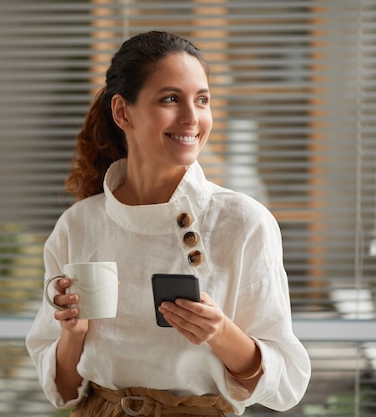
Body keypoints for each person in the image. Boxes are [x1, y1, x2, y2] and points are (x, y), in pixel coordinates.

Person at [25, 31, 310, 416]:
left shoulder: (243, 222)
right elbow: (62, 390)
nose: (192, 118)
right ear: (123, 113)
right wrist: (73, 334)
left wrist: (220, 332)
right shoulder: (79, 225)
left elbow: (287, 385)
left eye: (203, 100)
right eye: (171, 99)